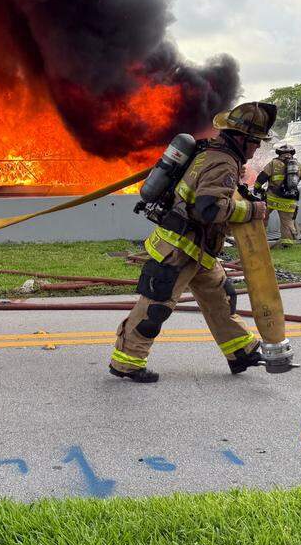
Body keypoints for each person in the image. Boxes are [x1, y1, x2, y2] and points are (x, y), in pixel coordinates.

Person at [109, 102, 276, 383]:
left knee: (221, 297)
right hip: (179, 249)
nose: (257, 149)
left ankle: (241, 351)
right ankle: (126, 361)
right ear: (240, 138)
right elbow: (208, 209)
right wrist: (252, 210)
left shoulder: (209, 151)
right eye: (256, 142)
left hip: (198, 250)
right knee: (156, 305)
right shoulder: (222, 162)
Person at [255, 144, 301, 246]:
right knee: (287, 224)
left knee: (263, 217)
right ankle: (287, 244)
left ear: (279, 153)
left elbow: (262, 177)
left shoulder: (273, 163)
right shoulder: (298, 166)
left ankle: (260, 241)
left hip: (272, 198)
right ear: (292, 153)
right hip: (289, 201)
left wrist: (257, 188)